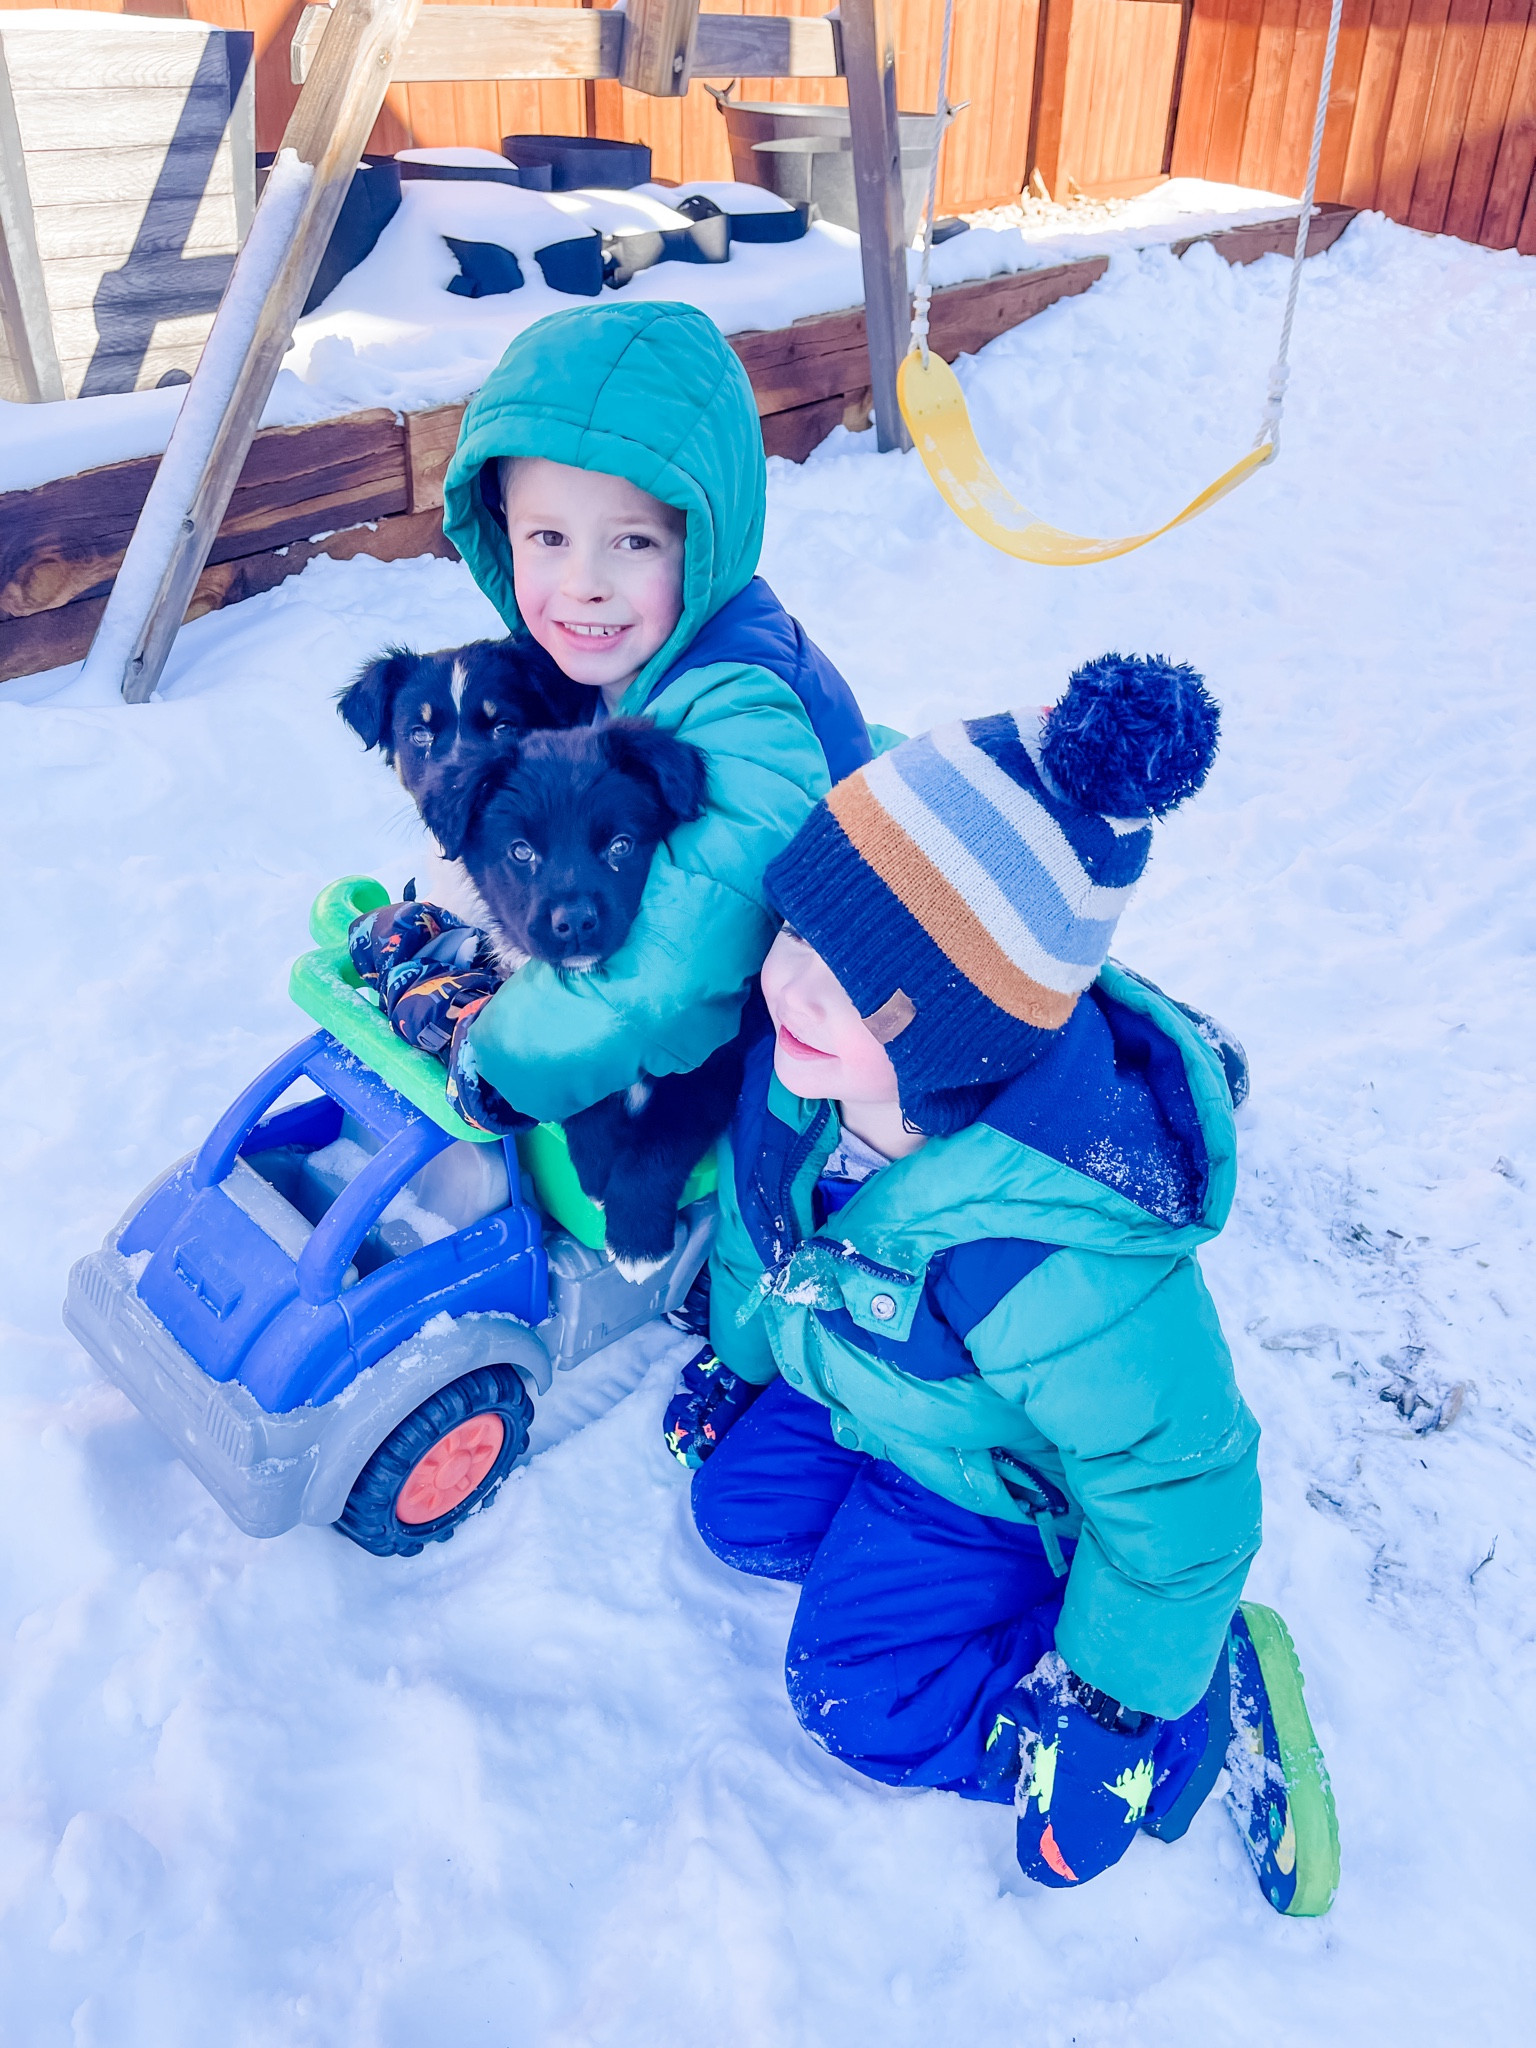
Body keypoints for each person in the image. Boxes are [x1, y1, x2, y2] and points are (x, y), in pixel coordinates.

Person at [664, 656, 1339, 1915]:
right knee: (736, 1514)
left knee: (857, 1691)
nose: (798, 981)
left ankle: (1180, 1719)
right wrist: (741, 1355)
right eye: (802, 926)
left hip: (993, 1476)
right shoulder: (810, 1073)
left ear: (965, 1030)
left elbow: (1181, 1478)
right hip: (871, 1390)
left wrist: (1113, 1702)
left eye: (862, 976)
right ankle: (923, 1545)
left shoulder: (1056, 1256)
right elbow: (768, 1242)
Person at [374, 298, 870, 1129]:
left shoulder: (745, 704)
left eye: (633, 542)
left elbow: (680, 967)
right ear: (502, 535)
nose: (584, 584)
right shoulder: (603, 662)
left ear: (705, 542)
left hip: (797, 1050)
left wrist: (497, 1051)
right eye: (548, 539)